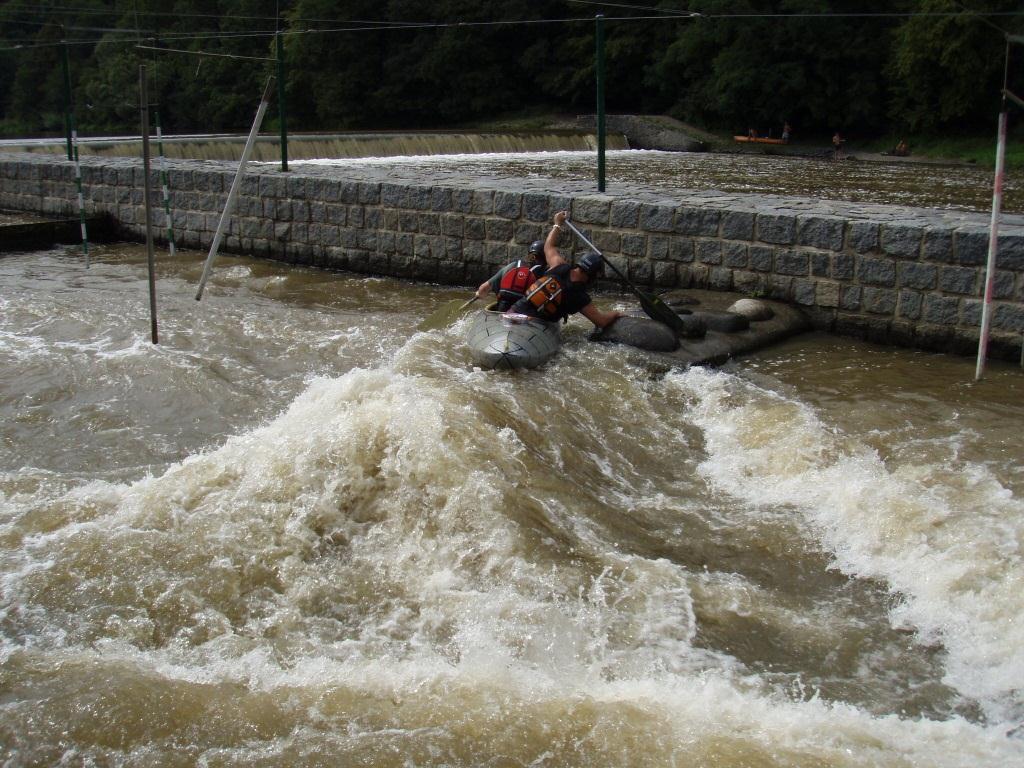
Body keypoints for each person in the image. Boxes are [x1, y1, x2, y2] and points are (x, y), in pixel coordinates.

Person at [507, 210, 625, 330]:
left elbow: (548, 247)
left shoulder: (559, 266)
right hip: (535, 328)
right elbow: (601, 322)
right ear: (592, 276)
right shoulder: (579, 296)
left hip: (512, 313)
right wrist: (616, 314)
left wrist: (557, 224)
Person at [475, 239, 548, 311]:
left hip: (502, 310)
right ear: (545, 258)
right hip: (523, 313)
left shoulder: (512, 266)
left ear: (529, 255)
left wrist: (479, 293)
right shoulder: (546, 274)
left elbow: (483, 289)